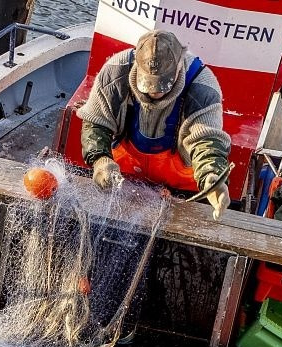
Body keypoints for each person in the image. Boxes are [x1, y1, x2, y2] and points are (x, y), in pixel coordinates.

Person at [77, 30, 232, 220]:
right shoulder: (115, 71)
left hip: (180, 188)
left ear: (179, 65)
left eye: (162, 84)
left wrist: (211, 177)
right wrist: (100, 160)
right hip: (124, 177)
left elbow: (206, 141)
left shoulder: (203, 86)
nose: (155, 92)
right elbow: (96, 122)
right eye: (148, 84)